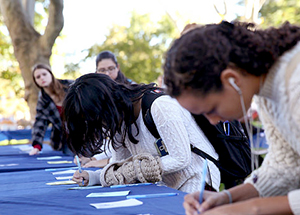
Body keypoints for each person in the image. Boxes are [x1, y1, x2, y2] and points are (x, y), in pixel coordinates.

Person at [163, 20, 300, 214]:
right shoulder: (264, 88)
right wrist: (227, 198)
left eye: (210, 109)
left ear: (231, 80)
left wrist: (251, 209)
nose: (212, 121)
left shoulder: (295, 79)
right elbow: (286, 165)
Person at [63, 73, 221, 193]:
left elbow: (181, 158)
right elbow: (119, 166)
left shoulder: (160, 107)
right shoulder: (118, 120)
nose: (101, 124)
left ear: (105, 105)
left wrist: (137, 169)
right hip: (163, 187)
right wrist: (94, 177)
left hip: (196, 180)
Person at [29, 64, 73, 156]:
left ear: (51, 74)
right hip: (63, 141)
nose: (42, 78)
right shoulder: (42, 101)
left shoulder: (70, 86)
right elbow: (40, 123)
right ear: (36, 81)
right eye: (38, 77)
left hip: (85, 135)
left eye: (44, 74)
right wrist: (36, 146)